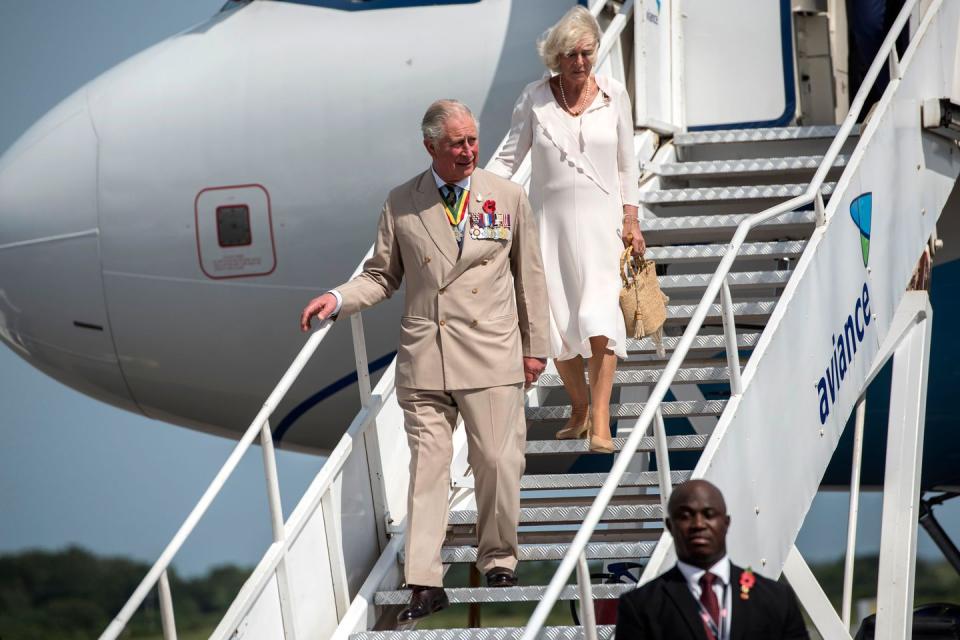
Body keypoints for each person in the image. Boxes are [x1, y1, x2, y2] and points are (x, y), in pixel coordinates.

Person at [299, 100, 550, 624]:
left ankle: (499, 557)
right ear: (430, 146)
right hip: (428, 355)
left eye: (473, 140)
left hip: (492, 350)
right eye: (457, 143)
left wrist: (535, 346)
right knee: (428, 471)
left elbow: (531, 276)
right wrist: (339, 299)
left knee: (499, 462)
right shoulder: (401, 203)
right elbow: (380, 275)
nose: (468, 151)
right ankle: (424, 581)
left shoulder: (506, 197)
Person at [488, 5, 644, 453]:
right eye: (571, 54)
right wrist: (474, 193)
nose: (580, 61)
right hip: (548, 226)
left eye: (587, 52)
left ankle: (600, 422)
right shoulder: (535, 98)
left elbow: (626, 164)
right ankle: (578, 406)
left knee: (599, 318)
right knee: (557, 324)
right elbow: (509, 158)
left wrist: (632, 220)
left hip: (602, 224)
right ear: (555, 57)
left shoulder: (614, 94)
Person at [615, 480, 810, 639]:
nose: (698, 524)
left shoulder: (776, 599)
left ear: (726, 523)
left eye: (709, 515)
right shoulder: (641, 606)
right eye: (685, 516)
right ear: (670, 525)